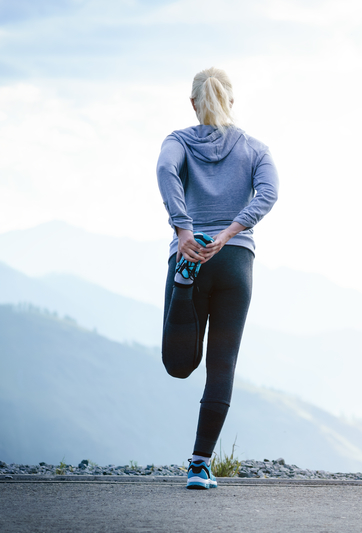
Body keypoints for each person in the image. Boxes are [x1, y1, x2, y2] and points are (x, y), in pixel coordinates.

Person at [156, 67, 279, 490]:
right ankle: (199, 465)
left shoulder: (177, 141)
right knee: (221, 363)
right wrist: (230, 232)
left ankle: (184, 289)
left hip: (189, 253)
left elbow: (165, 172)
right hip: (234, 262)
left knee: (178, 366)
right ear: (232, 101)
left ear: (193, 103)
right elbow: (268, 194)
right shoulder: (255, 149)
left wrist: (184, 229)